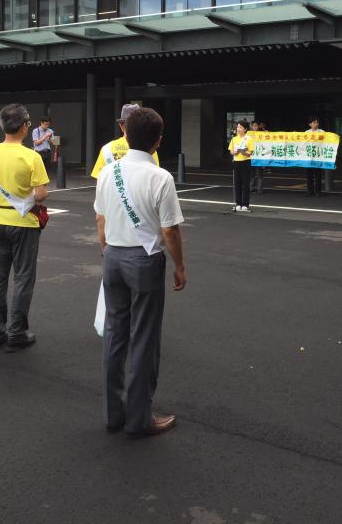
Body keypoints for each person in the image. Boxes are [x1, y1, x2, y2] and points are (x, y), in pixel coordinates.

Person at [94, 107, 186, 439]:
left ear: (125, 135)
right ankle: (139, 418)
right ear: (158, 142)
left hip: (113, 257)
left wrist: (106, 250)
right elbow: (170, 231)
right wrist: (180, 266)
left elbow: (100, 220)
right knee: (144, 338)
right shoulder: (160, 177)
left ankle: (113, 414)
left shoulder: (108, 172)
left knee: (115, 335)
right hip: (144, 260)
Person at [0, 103, 49, 351]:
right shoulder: (32, 156)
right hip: (24, 222)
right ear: (26, 126)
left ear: (2, 126)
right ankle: (16, 332)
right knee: (23, 277)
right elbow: (40, 195)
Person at [90, 103, 159, 179]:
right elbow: (154, 177)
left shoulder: (107, 149)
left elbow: (100, 179)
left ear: (121, 126)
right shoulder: (150, 148)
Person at [228, 121, 254, 212]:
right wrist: (234, 152)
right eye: (238, 127)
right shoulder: (234, 139)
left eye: (240, 127)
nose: (238, 129)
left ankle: (245, 204)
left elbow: (251, 152)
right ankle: (238, 203)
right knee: (237, 183)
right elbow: (231, 151)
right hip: (236, 162)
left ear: (245, 129)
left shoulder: (249, 139)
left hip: (246, 162)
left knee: (245, 184)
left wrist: (245, 152)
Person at [305, 116, 325, 197]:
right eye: (314, 122)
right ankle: (310, 191)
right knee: (309, 175)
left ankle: (318, 191)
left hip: (318, 156)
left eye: (317, 122)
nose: (316, 124)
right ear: (310, 124)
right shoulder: (306, 132)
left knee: (318, 175)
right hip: (308, 157)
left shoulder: (322, 132)